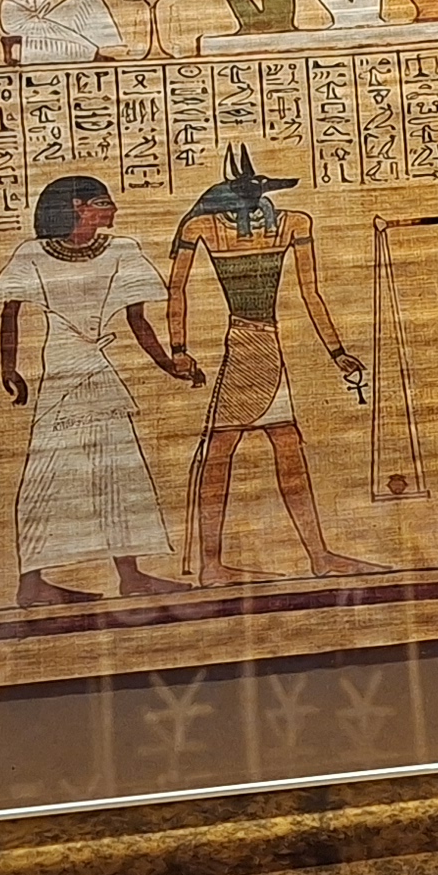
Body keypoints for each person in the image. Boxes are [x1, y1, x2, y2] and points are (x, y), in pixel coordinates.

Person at [164, 146, 377, 579]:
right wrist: (179, 348)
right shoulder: (212, 226)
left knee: (276, 444)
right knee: (230, 447)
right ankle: (214, 564)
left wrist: (338, 352)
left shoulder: (287, 223)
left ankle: (315, 557)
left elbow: (310, 293)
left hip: (261, 344)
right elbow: (176, 290)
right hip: (249, 345)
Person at [0, 176, 197, 604]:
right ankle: (31, 582)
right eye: (103, 202)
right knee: (47, 472)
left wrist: (168, 365)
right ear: (77, 206)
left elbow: (137, 320)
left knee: (120, 469)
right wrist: (9, 366)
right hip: (61, 369)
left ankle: (131, 576)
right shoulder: (33, 254)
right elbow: (11, 311)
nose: (113, 209)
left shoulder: (122, 251)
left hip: (99, 371)